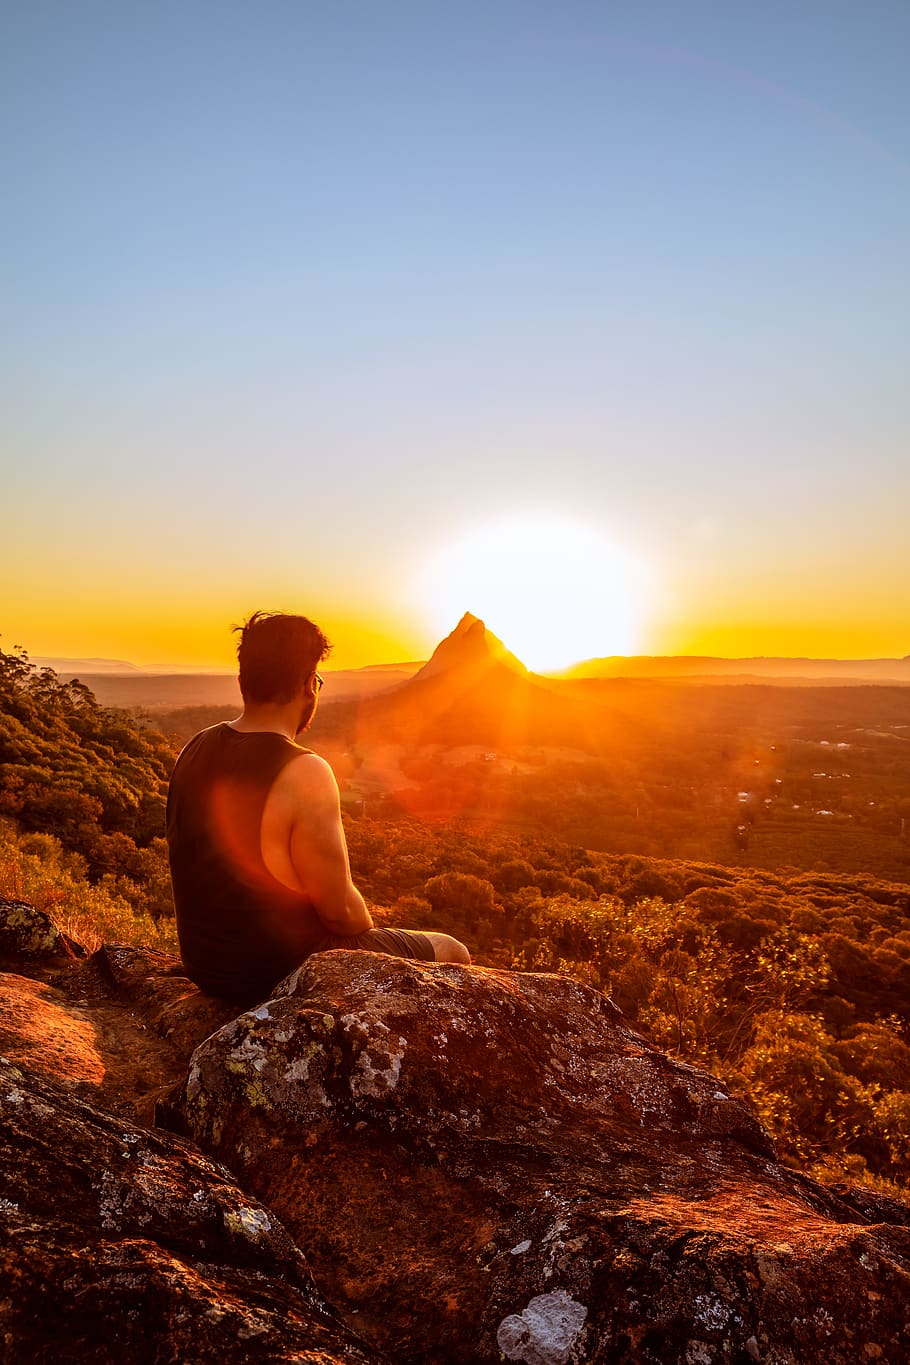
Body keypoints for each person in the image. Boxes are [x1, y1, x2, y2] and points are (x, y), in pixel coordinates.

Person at [166, 610, 470, 1005]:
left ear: (243, 681)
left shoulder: (195, 746)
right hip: (275, 974)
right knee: (450, 950)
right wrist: (367, 926)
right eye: (317, 680)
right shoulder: (304, 770)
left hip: (205, 968)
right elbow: (342, 914)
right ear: (310, 684)